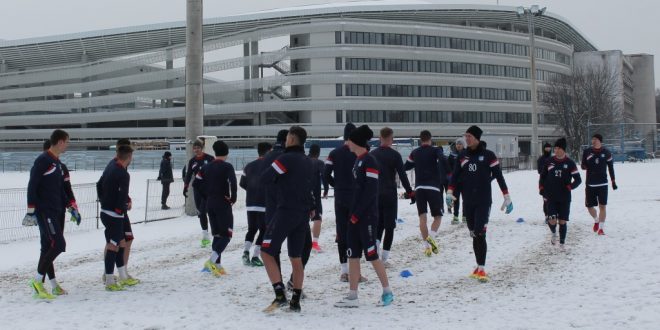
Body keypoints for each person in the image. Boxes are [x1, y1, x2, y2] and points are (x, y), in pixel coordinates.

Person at [334, 125, 394, 308]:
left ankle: (387, 292)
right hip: (354, 216)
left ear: (356, 142)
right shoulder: (357, 160)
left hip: (366, 217)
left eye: (349, 140)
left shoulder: (370, 161)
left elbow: (370, 192)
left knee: (371, 255)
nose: (347, 143)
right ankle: (353, 296)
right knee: (352, 254)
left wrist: (357, 214)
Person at [446, 125, 512, 282]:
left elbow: (499, 176)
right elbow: (454, 176)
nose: (466, 139)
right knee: (474, 233)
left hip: (483, 201)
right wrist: (449, 192)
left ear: (477, 138)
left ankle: (482, 268)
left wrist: (506, 195)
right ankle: (478, 265)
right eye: (465, 136)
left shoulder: (489, 155)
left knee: (480, 232)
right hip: (468, 201)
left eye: (469, 136)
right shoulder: (462, 156)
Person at [260, 126, 315, 313]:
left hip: (285, 212)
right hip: (303, 214)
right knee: (296, 258)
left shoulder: (285, 159)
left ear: (291, 139)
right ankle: (295, 302)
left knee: (266, 252)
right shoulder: (308, 161)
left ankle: (280, 295)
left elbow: (265, 178)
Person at [24, 130, 71, 299]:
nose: (68, 145)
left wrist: (70, 205)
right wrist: (30, 211)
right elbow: (32, 185)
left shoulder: (56, 162)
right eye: (67, 141)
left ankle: (52, 285)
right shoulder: (43, 160)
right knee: (58, 245)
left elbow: (60, 189)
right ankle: (37, 281)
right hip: (45, 211)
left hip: (56, 210)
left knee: (46, 248)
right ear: (59, 142)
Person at [325, 123, 365, 282]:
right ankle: (357, 272)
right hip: (357, 196)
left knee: (342, 233)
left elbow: (326, 174)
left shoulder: (334, 153)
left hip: (340, 196)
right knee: (357, 232)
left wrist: (336, 185)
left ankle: (344, 271)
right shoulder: (359, 153)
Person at [97, 138, 138, 285]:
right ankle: (108, 276)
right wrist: (118, 207)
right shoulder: (117, 168)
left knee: (124, 240)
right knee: (114, 243)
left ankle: (122, 273)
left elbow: (105, 186)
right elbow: (110, 188)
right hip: (115, 213)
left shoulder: (117, 167)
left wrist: (125, 200)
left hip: (115, 211)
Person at [403, 130, 451, 257]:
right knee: (437, 217)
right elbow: (442, 158)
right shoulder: (435, 150)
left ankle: (427, 247)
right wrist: (448, 172)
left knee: (422, 218)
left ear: (420, 139)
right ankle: (432, 237)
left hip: (419, 188)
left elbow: (406, 166)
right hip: (433, 188)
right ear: (430, 139)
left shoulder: (415, 152)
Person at [193, 141, 237, 276]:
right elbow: (233, 182)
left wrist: (205, 196)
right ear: (227, 153)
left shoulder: (206, 167)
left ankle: (217, 265)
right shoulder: (227, 166)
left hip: (210, 203)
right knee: (227, 235)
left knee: (217, 235)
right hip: (222, 203)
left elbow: (196, 183)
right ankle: (211, 261)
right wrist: (233, 198)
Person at [370, 127, 414, 263]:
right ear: (391, 139)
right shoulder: (395, 155)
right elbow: (402, 175)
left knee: (378, 224)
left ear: (379, 138)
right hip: (389, 193)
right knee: (389, 226)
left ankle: (375, 251)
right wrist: (410, 192)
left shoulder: (372, 154)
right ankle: (384, 258)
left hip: (376, 193)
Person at [539, 138, 581, 249]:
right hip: (551, 196)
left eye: (558, 148)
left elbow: (578, 180)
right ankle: (553, 233)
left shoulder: (570, 163)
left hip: (564, 197)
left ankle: (562, 243)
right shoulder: (549, 161)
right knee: (551, 219)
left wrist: (570, 186)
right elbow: (542, 176)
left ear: (563, 149)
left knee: (562, 221)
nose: (556, 150)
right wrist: (541, 187)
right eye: (555, 148)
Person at [239, 142, 272, 266]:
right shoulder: (270, 166)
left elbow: (242, 183)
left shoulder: (249, 166)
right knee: (264, 230)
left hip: (251, 203)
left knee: (251, 229)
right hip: (265, 203)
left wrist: (253, 191)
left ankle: (245, 252)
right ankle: (255, 256)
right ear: (269, 151)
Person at [261, 130, 288, 275]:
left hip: (271, 208)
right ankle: (294, 280)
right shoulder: (289, 157)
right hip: (290, 207)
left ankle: (278, 283)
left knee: (273, 248)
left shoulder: (267, 157)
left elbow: (261, 181)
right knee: (300, 248)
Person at [581, 133, 616, 235]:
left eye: (595, 139)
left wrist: (613, 181)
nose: (593, 141)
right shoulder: (587, 152)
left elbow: (610, 167)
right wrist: (585, 166)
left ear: (600, 141)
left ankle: (601, 228)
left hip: (603, 184)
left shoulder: (606, 152)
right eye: (592, 139)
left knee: (602, 206)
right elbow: (583, 165)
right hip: (590, 184)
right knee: (589, 207)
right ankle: (596, 220)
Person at [183, 139, 215, 247]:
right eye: (195, 148)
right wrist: (185, 186)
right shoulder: (192, 161)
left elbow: (217, 171)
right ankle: (205, 236)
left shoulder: (210, 159)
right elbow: (188, 174)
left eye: (198, 148)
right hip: (197, 190)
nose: (196, 150)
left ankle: (214, 234)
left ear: (202, 148)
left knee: (206, 211)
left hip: (208, 189)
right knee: (201, 213)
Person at [308, 143, 328, 252]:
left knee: (303, 218)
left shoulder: (303, 161)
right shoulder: (319, 163)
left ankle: (303, 242)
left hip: (302, 194)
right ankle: (314, 243)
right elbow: (324, 176)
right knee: (317, 218)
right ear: (318, 153)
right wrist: (326, 189)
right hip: (315, 195)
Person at [447, 137, 466, 225]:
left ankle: (465, 216)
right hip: (455, 182)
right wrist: (451, 175)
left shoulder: (467, 154)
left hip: (465, 181)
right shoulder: (452, 155)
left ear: (463, 145)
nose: (458, 145)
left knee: (466, 200)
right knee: (455, 199)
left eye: (460, 144)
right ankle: (455, 216)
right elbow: (448, 166)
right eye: (457, 144)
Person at [537, 142, 553, 222]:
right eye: (546, 148)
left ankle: (552, 215)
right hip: (544, 182)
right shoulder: (541, 159)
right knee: (545, 200)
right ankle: (546, 216)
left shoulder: (553, 158)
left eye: (549, 148)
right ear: (544, 149)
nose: (548, 149)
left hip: (553, 183)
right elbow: (539, 171)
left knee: (552, 200)